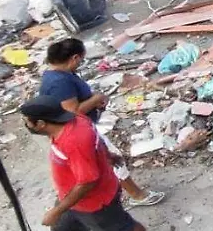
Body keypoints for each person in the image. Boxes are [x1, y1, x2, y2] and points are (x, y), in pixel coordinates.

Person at [13, 96, 161, 231]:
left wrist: (57, 210)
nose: (26, 125)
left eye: (27, 121)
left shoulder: (72, 141)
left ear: (40, 123)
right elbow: (97, 143)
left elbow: (87, 181)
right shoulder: (77, 120)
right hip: (70, 198)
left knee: (124, 227)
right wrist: (108, 157)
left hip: (95, 201)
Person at [41, 38, 164, 208]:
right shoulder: (60, 82)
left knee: (100, 162)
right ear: (74, 58)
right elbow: (72, 111)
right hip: (78, 131)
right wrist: (96, 99)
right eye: (81, 60)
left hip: (79, 128)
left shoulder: (57, 74)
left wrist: (93, 100)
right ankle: (136, 195)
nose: (80, 64)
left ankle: (112, 193)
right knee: (112, 157)